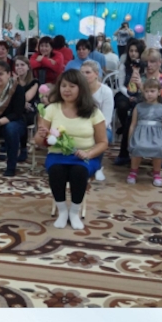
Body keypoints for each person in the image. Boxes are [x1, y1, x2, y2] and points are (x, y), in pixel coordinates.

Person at [35, 69, 108, 230]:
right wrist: (41, 135)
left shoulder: (93, 112)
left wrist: (88, 153)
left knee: (78, 172)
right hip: (57, 155)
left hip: (85, 156)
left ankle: (74, 212)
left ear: (81, 88)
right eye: (63, 86)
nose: (66, 90)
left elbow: (103, 142)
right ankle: (62, 211)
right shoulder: (51, 109)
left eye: (72, 86)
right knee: (56, 171)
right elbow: (38, 142)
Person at [127, 79, 162, 187]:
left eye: (152, 91)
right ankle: (133, 172)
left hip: (157, 136)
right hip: (140, 134)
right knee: (137, 147)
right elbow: (133, 124)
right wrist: (130, 139)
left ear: (159, 92)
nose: (149, 94)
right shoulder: (138, 107)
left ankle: (156, 173)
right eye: (146, 91)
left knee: (158, 148)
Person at [80, 60, 113, 181]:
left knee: (103, 137)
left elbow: (107, 119)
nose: (84, 75)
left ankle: (97, 167)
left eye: (88, 72)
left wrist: (92, 129)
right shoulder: (77, 90)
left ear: (96, 74)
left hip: (101, 127)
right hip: (80, 124)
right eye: (82, 73)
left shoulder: (106, 91)